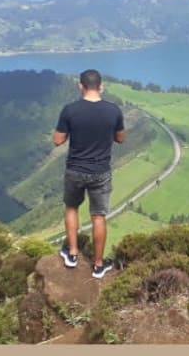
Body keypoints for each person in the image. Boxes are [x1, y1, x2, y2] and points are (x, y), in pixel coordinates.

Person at [52, 69, 125, 279]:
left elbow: (58, 140)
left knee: (72, 208)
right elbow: (120, 138)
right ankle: (99, 265)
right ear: (101, 86)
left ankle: (72, 254)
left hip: (75, 169)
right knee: (99, 216)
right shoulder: (113, 111)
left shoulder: (70, 110)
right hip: (100, 172)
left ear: (80, 86)